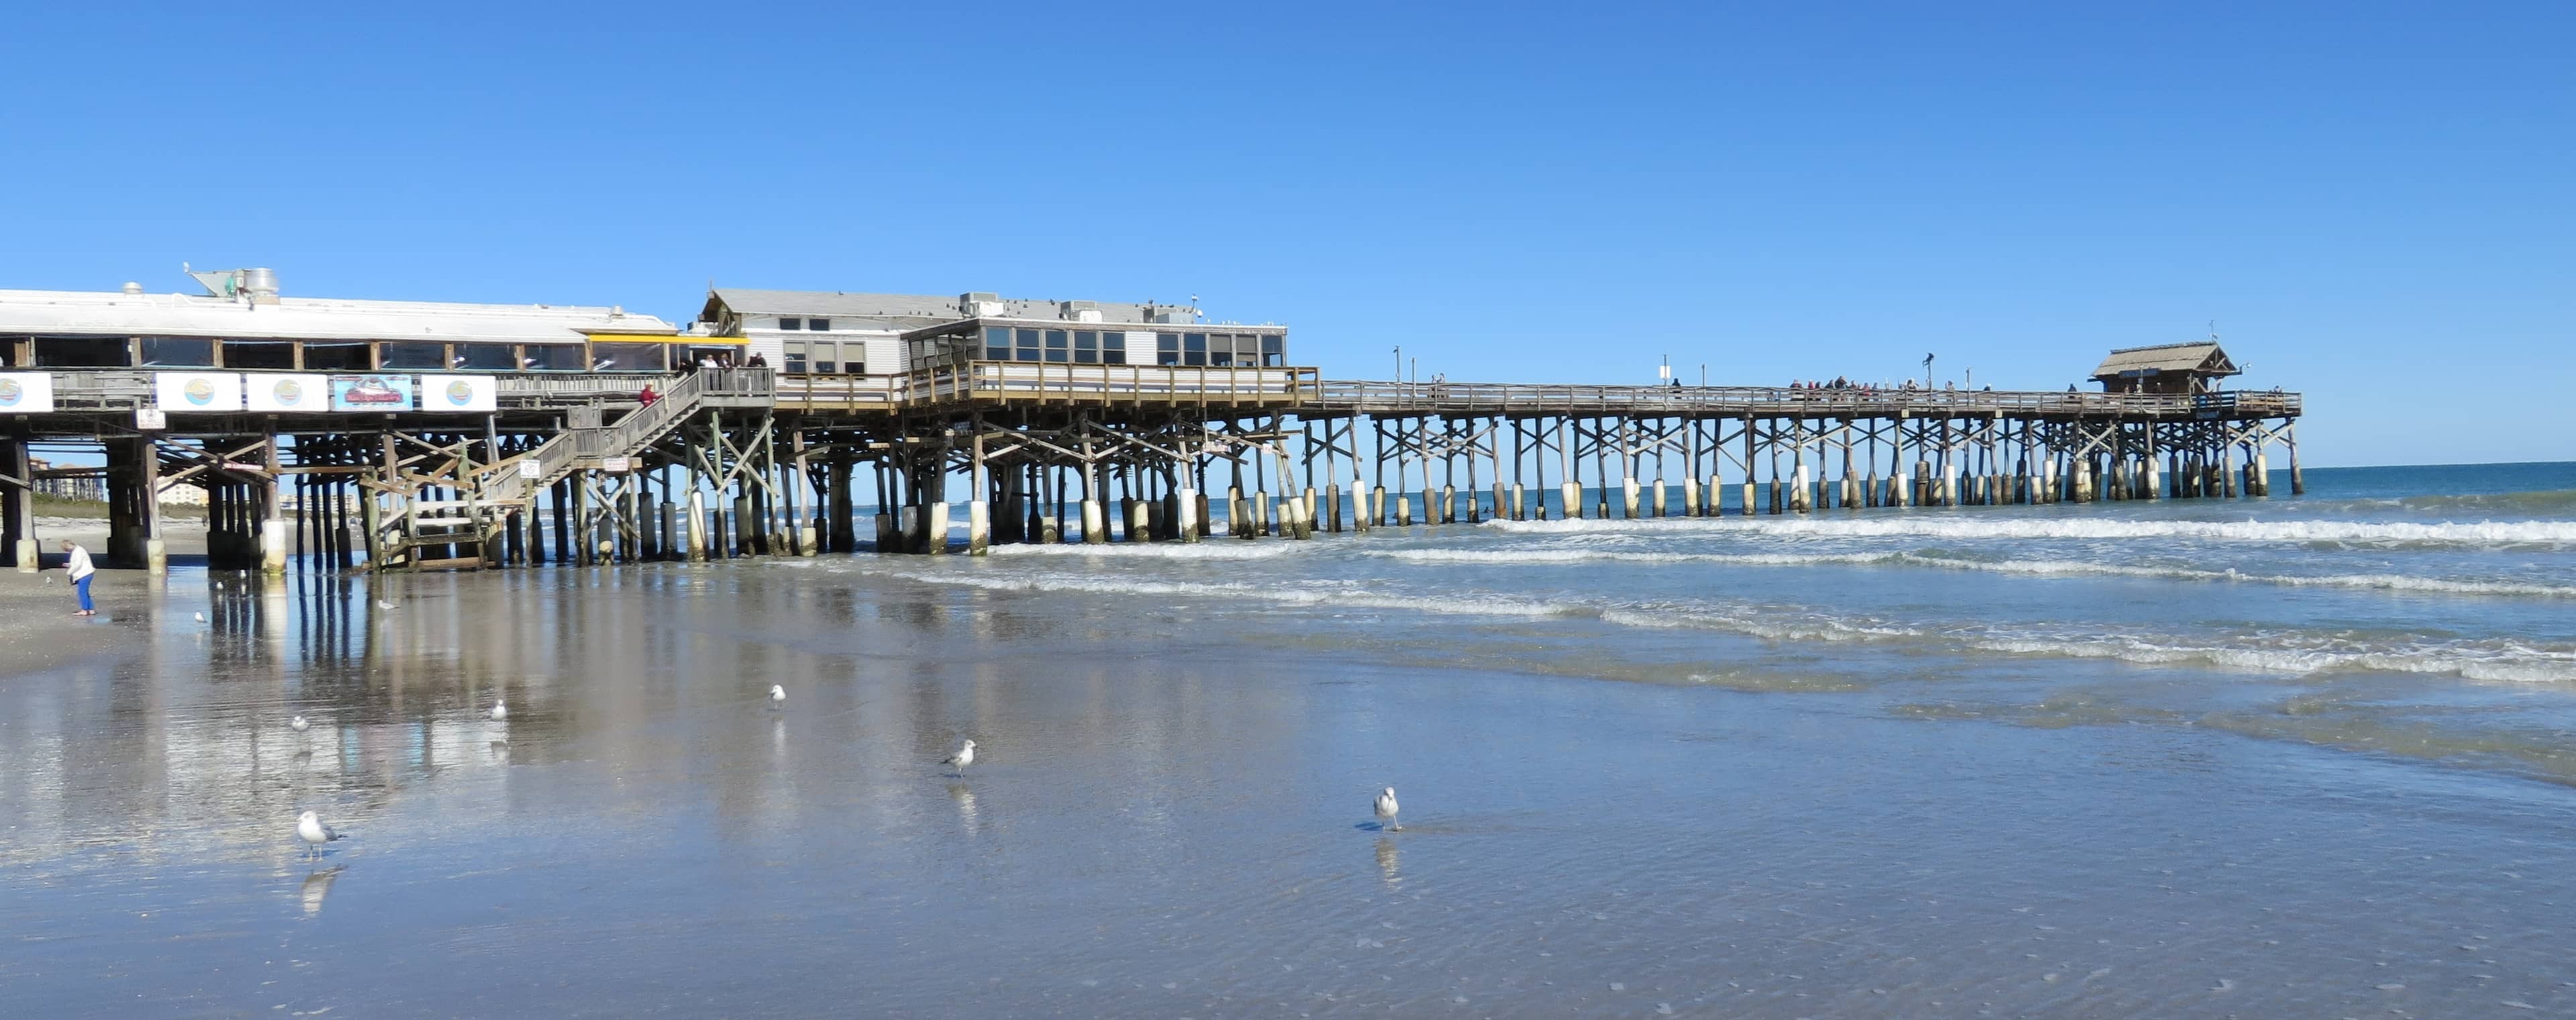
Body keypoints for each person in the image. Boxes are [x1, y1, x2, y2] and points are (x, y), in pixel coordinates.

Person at [61, 540, 95, 616]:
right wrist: (69, 565)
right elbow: (77, 563)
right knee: (85, 592)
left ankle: (85, 610)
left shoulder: (78, 551)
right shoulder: (78, 550)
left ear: (68, 546)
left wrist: (69, 572)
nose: (68, 551)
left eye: (67, 550)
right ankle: (90, 609)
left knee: (82, 592)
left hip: (84, 574)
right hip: (87, 573)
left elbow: (77, 565)